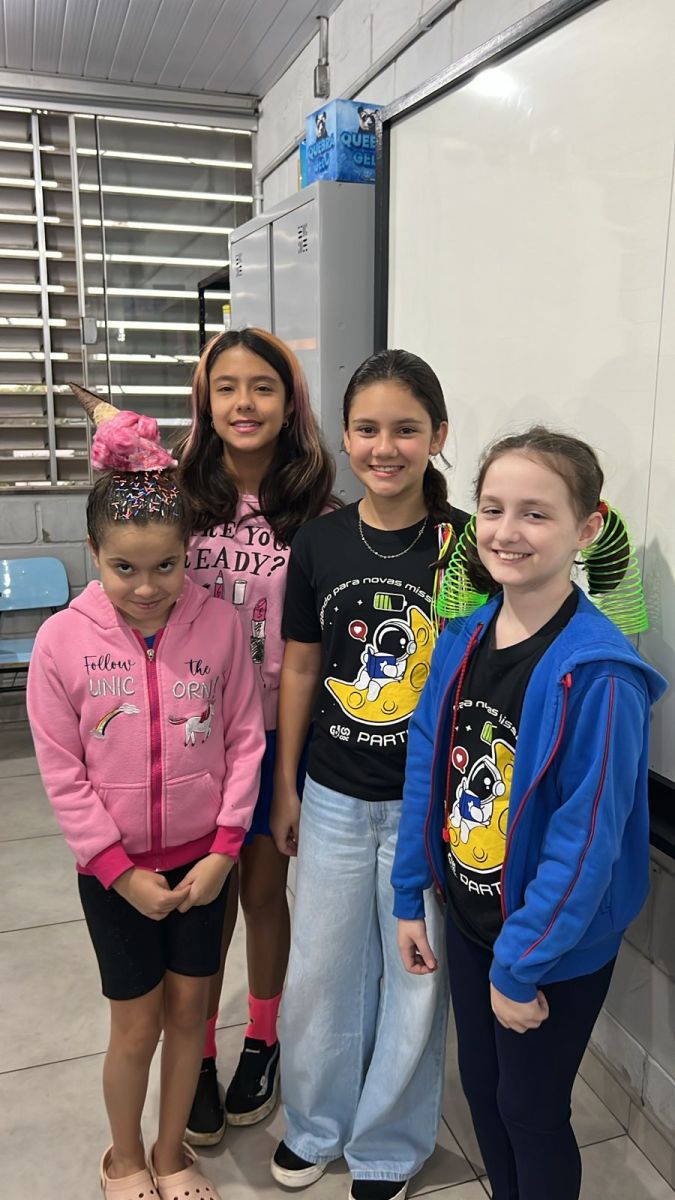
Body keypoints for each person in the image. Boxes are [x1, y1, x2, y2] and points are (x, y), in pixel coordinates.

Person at [392, 427, 667, 1200]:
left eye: (535, 513)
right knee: (483, 1091)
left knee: (530, 1110)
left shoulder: (600, 676)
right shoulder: (461, 638)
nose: (506, 531)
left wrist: (519, 966)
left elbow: (585, 842)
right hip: (470, 917)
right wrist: (407, 893)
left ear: (585, 528)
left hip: (550, 944)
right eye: (492, 509)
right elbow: (427, 771)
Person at [27, 392, 265, 1200]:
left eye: (165, 565)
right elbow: (62, 771)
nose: (146, 586)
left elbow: (245, 739)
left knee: (190, 1016)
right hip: (115, 875)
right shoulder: (61, 642)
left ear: (187, 552)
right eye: (124, 567)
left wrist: (225, 850)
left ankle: (170, 1152)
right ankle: (124, 1158)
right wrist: (116, 869)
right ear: (94, 552)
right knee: (135, 1025)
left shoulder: (219, 628)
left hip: (202, 867)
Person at [269, 349, 470, 1200]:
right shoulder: (318, 540)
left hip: (429, 807)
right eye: (366, 429)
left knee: (413, 978)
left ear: (438, 435)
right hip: (333, 796)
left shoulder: (465, 546)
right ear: (343, 437)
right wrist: (286, 784)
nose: (384, 448)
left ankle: (388, 1144)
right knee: (320, 969)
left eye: (405, 429)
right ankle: (314, 1125)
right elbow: (300, 668)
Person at [177, 328, 336, 1142]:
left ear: (289, 401)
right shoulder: (172, 496)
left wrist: (288, 772)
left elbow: (316, 651)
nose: (244, 403)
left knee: (263, 894)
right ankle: (197, 1053)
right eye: (226, 386)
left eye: (262, 387)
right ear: (204, 401)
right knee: (203, 906)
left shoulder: (320, 514)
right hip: (191, 737)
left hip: (277, 736)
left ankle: (262, 1042)